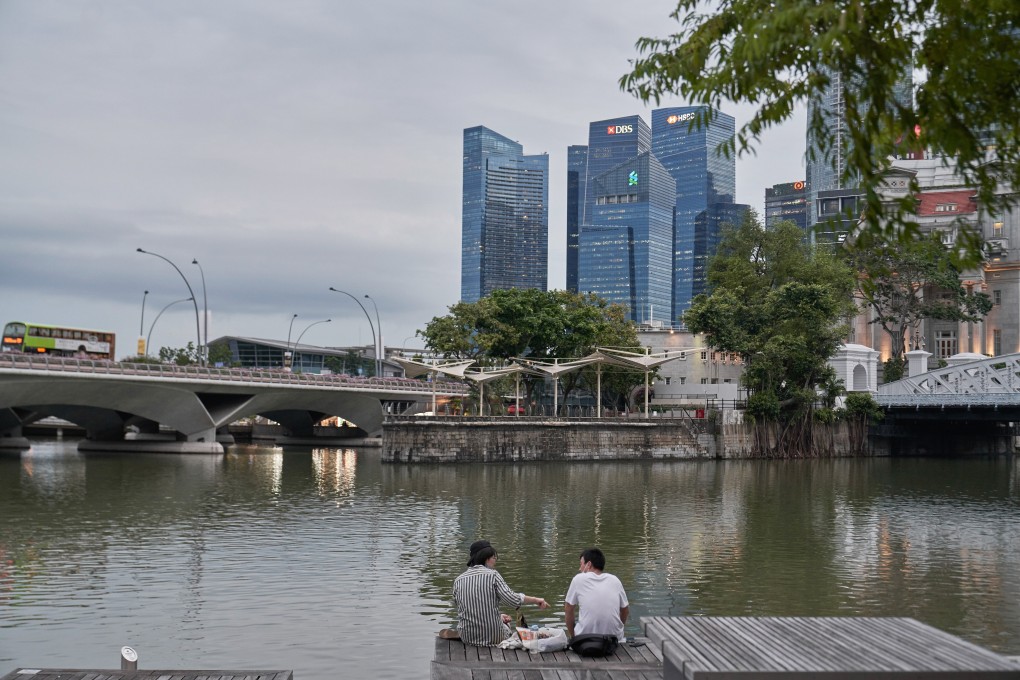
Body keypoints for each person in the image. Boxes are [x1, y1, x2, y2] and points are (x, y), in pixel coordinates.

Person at [453, 543, 549, 646]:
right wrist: (536, 600)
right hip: (493, 637)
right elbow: (512, 600)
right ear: (486, 558)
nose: (495, 561)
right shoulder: (493, 575)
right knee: (507, 625)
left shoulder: (458, 580)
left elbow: (465, 608)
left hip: (467, 637)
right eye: (494, 558)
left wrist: (498, 616)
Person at [564, 547, 628, 641]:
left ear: (588, 564)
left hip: (585, 640)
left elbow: (568, 609)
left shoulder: (579, 579)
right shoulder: (615, 580)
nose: (579, 568)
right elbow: (625, 610)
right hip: (613, 640)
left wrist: (573, 636)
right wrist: (618, 628)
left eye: (581, 564)